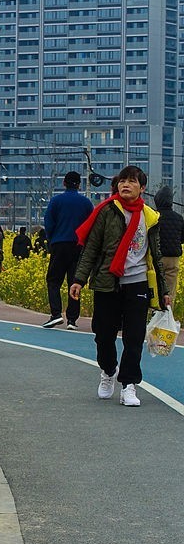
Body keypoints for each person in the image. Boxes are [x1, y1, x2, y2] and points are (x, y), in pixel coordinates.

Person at [70, 165, 173, 407]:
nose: (125, 185)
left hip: (137, 282)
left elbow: (155, 256)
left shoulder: (150, 217)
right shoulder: (107, 211)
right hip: (107, 282)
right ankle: (108, 371)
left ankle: (129, 385)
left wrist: (163, 291)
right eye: (122, 181)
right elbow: (92, 248)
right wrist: (78, 279)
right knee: (103, 334)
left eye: (132, 182)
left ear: (142, 188)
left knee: (134, 336)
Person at [42, 170, 94, 329]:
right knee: (75, 281)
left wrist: (52, 240)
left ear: (64, 183)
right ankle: (72, 319)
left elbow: (49, 223)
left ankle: (56, 314)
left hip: (59, 244)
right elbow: (92, 225)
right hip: (78, 246)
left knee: (53, 280)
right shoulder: (86, 203)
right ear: (79, 184)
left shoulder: (56, 201)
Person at [154, 185, 183, 299]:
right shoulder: (178, 218)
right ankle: (168, 314)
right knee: (170, 291)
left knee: (155, 289)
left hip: (156, 258)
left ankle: (154, 314)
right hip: (173, 259)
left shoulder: (154, 217)